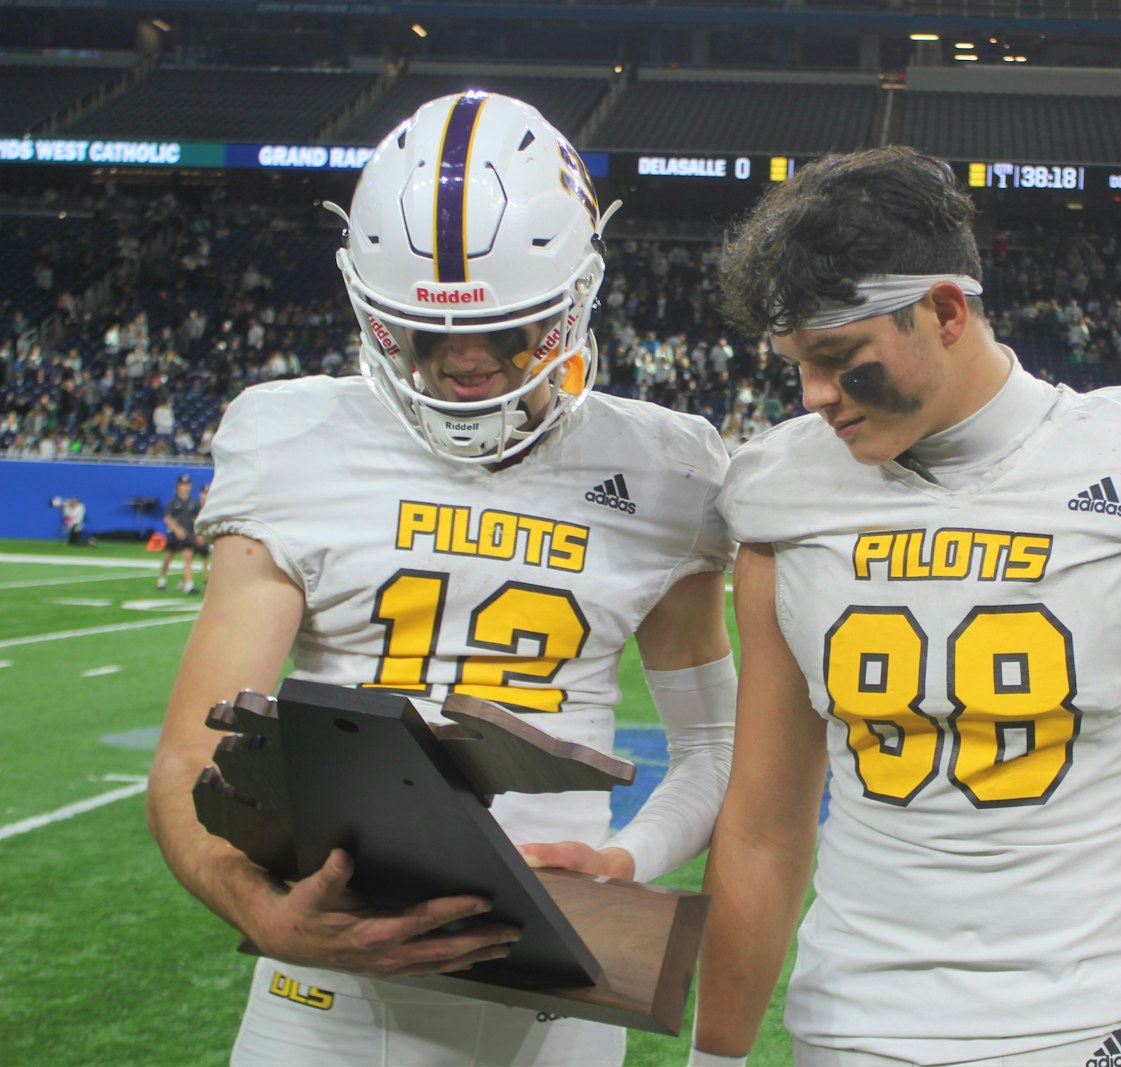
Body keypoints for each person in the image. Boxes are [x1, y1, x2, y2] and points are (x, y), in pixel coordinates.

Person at [692, 148, 1121, 1067]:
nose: (816, 397)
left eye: (842, 359)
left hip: (1100, 1033)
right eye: (797, 364)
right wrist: (712, 1057)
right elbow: (762, 825)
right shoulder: (782, 502)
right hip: (851, 1030)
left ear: (947, 311)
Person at [145, 92, 735, 1067]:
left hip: (562, 997)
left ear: (577, 296)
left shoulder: (668, 468)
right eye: (424, 332)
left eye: (508, 330)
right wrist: (264, 908)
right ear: (370, 310)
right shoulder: (294, 436)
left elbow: (712, 747)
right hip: (324, 999)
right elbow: (187, 760)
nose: (466, 363)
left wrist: (622, 857)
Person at [157, 473, 202, 593]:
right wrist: (176, 529)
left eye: (187, 485)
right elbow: (167, 518)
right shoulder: (173, 501)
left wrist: (198, 533)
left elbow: (196, 518)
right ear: (178, 486)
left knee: (188, 559)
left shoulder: (193, 502)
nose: (184, 487)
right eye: (182, 484)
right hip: (174, 534)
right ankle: (162, 578)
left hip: (187, 534)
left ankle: (188, 584)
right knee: (168, 557)